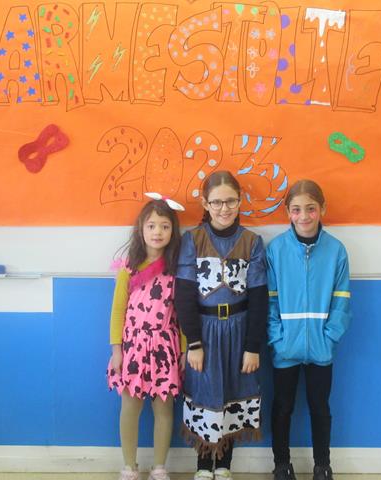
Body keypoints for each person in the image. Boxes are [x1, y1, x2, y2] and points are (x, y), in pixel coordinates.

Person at [175, 171, 268, 480]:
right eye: (217, 202)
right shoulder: (193, 240)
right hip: (204, 331)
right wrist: (194, 343)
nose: (224, 208)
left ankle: (225, 464)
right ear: (205, 203)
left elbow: (259, 299)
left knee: (233, 390)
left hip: (240, 331)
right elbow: (184, 296)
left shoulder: (252, 242)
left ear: (240, 202)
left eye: (230, 201)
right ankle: (204, 466)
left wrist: (252, 347)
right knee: (205, 391)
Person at [266, 179, 351, 480]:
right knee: (282, 407)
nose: (304, 216)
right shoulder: (276, 250)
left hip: (321, 347)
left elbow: (341, 300)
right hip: (285, 348)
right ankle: (281, 465)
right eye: (297, 209)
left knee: (320, 407)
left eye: (311, 209)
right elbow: (270, 301)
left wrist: (329, 338)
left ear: (322, 209)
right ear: (288, 212)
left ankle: (322, 465)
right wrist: (277, 339)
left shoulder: (336, 250)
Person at [107, 196, 186, 480]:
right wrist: (117, 350)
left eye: (164, 226)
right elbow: (117, 311)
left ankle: (159, 466)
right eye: (151, 225)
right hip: (133, 348)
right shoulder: (128, 268)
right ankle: (129, 466)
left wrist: (184, 350)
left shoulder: (177, 269)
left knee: (164, 409)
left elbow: (183, 313)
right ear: (141, 229)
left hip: (166, 348)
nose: (157, 232)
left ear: (172, 231)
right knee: (130, 406)